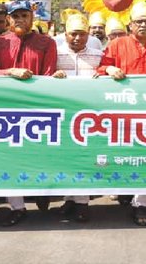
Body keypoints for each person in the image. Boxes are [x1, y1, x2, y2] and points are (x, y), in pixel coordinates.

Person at [97, 2, 146, 226]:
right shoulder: (117, 44)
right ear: (130, 25)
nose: (142, 25)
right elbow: (101, 68)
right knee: (123, 154)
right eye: (138, 21)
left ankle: (143, 203)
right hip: (121, 111)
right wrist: (110, 69)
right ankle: (124, 192)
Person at [0, 0, 57, 226]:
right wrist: (10, 72)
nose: (19, 20)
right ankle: (17, 206)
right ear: (9, 18)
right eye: (15, 16)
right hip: (6, 109)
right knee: (11, 159)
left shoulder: (46, 42)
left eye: (24, 16)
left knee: (40, 156)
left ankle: (43, 193)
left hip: (38, 108)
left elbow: (48, 76)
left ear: (32, 18)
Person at [51, 13, 104, 222]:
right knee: (67, 158)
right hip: (63, 114)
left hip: (89, 116)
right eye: (73, 34)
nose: (77, 38)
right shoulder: (56, 54)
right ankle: (70, 199)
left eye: (82, 34)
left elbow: (105, 72)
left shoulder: (97, 54)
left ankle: (82, 203)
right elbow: (46, 76)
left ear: (88, 34)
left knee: (84, 159)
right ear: (65, 34)